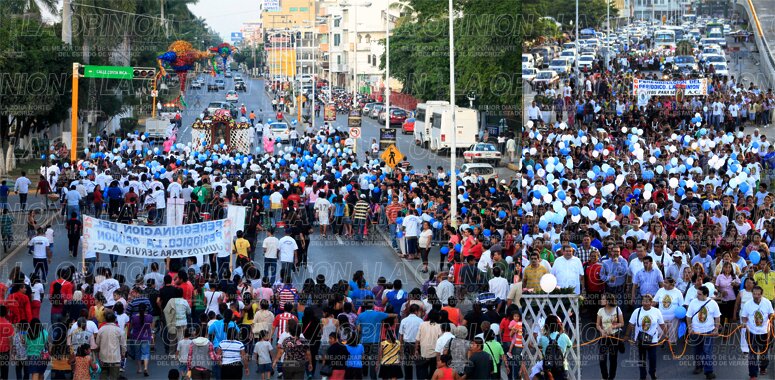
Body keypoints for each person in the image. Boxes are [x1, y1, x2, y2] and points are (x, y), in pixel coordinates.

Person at [625, 294, 667, 380]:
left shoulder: (656, 311)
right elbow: (630, 324)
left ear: (651, 302)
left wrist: (667, 335)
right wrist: (626, 335)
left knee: (652, 358)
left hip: (653, 340)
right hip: (640, 340)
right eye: (643, 301)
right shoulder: (637, 311)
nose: (644, 303)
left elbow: (662, 325)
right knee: (642, 359)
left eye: (647, 301)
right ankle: (642, 375)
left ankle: (652, 372)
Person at [686, 285, 721, 379]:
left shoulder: (713, 303)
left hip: (708, 332)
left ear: (706, 295)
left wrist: (716, 329)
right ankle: (698, 366)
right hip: (695, 332)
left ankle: (709, 371)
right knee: (696, 351)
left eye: (699, 294)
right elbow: (688, 316)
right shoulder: (693, 302)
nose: (697, 295)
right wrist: (690, 328)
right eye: (697, 293)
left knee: (707, 351)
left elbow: (717, 317)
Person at [740, 285, 774, 380]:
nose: (756, 296)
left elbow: (771, 313)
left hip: (764, 332)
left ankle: (763, 367)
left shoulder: (767, 302)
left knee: (764, 353)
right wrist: (744, 323)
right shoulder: (748, 304)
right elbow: (744, 317)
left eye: (758, 294)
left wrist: (772, 316)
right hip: (752, 332)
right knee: (752, 354)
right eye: (754, 294)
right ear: (752, 294)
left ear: (761, 294)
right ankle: (753, 374)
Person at [596, 293, 623, 380]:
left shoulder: (617, 309)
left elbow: (622, 323)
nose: (601, 300)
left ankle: (611, 378)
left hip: (614, 337)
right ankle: (605, 377)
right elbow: (597, 324)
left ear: (608, 301)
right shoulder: (600, 310)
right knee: (602, 359)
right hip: (604, 337)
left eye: (603, 299)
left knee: (613, 359)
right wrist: (601, 331)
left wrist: (613, 326)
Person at [95, 310, 127, 379]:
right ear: (115, 319)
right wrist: (123, 354)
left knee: (103, 375)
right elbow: (123, 345)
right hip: (115, 358)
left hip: (103, 358)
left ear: (105, 319)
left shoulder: (101, 330)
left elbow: (97, 344)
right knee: (114, 377)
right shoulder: (119, 330)